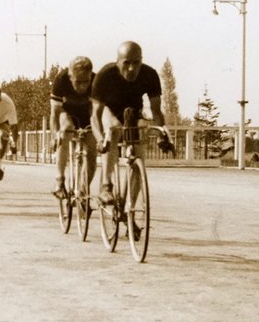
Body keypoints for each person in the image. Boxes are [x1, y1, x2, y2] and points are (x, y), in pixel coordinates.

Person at [89, 41, 174, 206]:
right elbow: (94, 115)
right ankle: (106, 186)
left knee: (138, 156)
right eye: (126, 63)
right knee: (113, 129)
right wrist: (100, 139)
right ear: (118, 61)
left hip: (132, 113)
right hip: (109, 110)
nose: (131, 68)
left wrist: (160, 136)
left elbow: (156, 111)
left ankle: (130, 209)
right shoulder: (106, 74)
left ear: (141, 60)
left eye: (136, 63)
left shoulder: (150, 75)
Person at [49, 56, 98, 198]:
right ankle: (59, 180)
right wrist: (55, 136)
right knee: (65, 131)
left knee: (91, 153)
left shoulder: (96, 81)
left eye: (86, 81)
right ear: (70, 77)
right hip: (67, 112)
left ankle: (82, 189)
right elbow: (54, 114)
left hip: (87, 114)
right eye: (78, 82)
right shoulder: (61, 80)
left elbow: (97, 112)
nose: (83, 86)